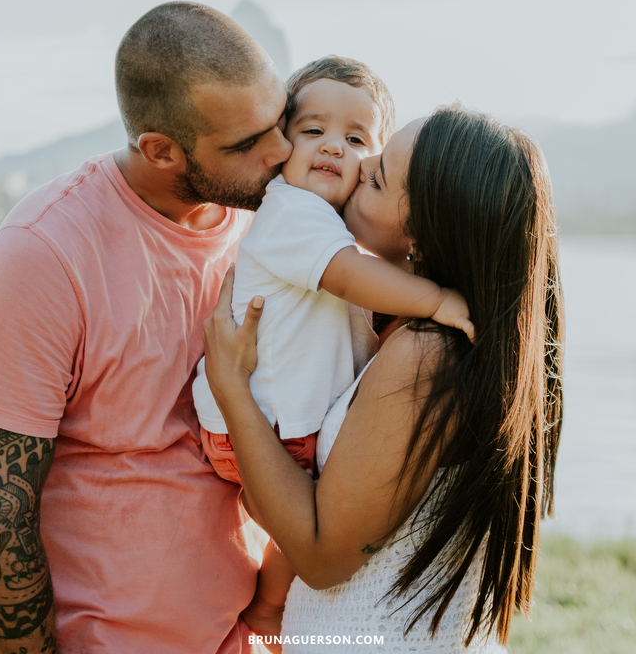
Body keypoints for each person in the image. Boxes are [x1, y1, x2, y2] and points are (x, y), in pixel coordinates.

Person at [0, 1, 292, 654]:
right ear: (160, 150)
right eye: (245, 144)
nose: (281, 151)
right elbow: (2, 516)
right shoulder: (43, 255)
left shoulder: (271, 225)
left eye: (279, 121)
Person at [203, 105, 564, 652]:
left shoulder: (426, 357)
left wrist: (233, 393)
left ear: (421, 235)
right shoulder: (415, 331)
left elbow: (322, 557)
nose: (355, 161)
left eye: (377, 175)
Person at [190, 57, 475, 636]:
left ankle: (266, 606)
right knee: (306, 505)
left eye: (356, 141)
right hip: (267, 420)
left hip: (271, 417)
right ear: (277, 146)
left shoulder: (331, 236)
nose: (336, 151)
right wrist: (438, 299)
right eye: (312, 131)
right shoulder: (294, 215)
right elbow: (346, 273)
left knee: (302, 516)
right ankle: (266, 606)